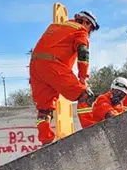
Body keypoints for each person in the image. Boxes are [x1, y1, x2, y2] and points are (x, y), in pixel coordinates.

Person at [29, 10, 100, 145]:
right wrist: (83, 77)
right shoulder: (80, 30)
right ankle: (93, 132)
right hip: (53, 65)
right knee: (85, 95)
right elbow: (83, 52)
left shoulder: (54, 26)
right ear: (86, 22)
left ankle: (46, 142)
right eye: (90, 27)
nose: (89, 31)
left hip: (35, 66)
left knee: (44, 110)